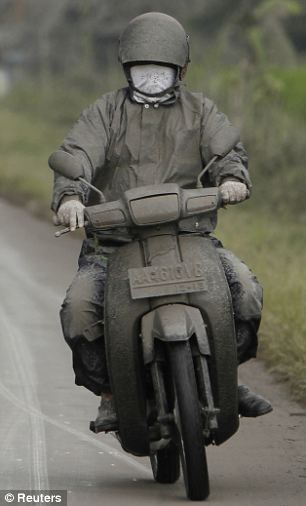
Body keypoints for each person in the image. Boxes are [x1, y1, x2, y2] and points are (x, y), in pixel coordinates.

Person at [50, 12, 272, 432]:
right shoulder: (104, 112)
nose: (151, 79)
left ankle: (226, 377)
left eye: (161, 72)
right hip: (112, 247)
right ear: (126, 69)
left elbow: (227, 149)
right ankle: (111, 395)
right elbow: (77, 154)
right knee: (79, 310)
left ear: (181, 70)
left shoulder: (202, 110)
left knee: (245, 291)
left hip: (189, 239)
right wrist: (70, 197)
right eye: (142, 71)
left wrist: (231, 178)